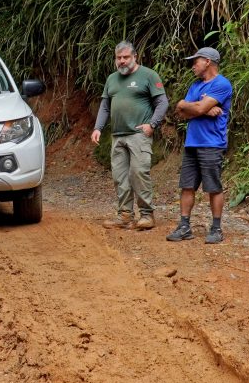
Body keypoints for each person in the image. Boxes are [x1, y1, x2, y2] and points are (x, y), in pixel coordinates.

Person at [90, 41, 169, 230]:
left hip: (138, 135)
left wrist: (152, 125)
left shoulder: (148, 75)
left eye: (126, 57)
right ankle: (125, 215)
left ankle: (147, 215)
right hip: (117, 135)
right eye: (119, 58)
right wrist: (98, 127)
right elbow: (105, 105)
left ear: (135, 57)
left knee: (139, 173)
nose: (122, 61)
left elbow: (162, 102)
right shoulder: (111, 79)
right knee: (120, 176)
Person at [167, 47, 233, 244]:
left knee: (213, 187)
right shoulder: (195, 86)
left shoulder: (222, 84)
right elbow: (181, 111)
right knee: (187, 186)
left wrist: (196, 107)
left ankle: (216, 228)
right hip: (192, 142)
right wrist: (200, 108)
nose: (193, 65)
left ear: (207, 62)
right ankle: (185, 226)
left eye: (195, 61)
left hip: (212, 143)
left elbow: (195, 108)